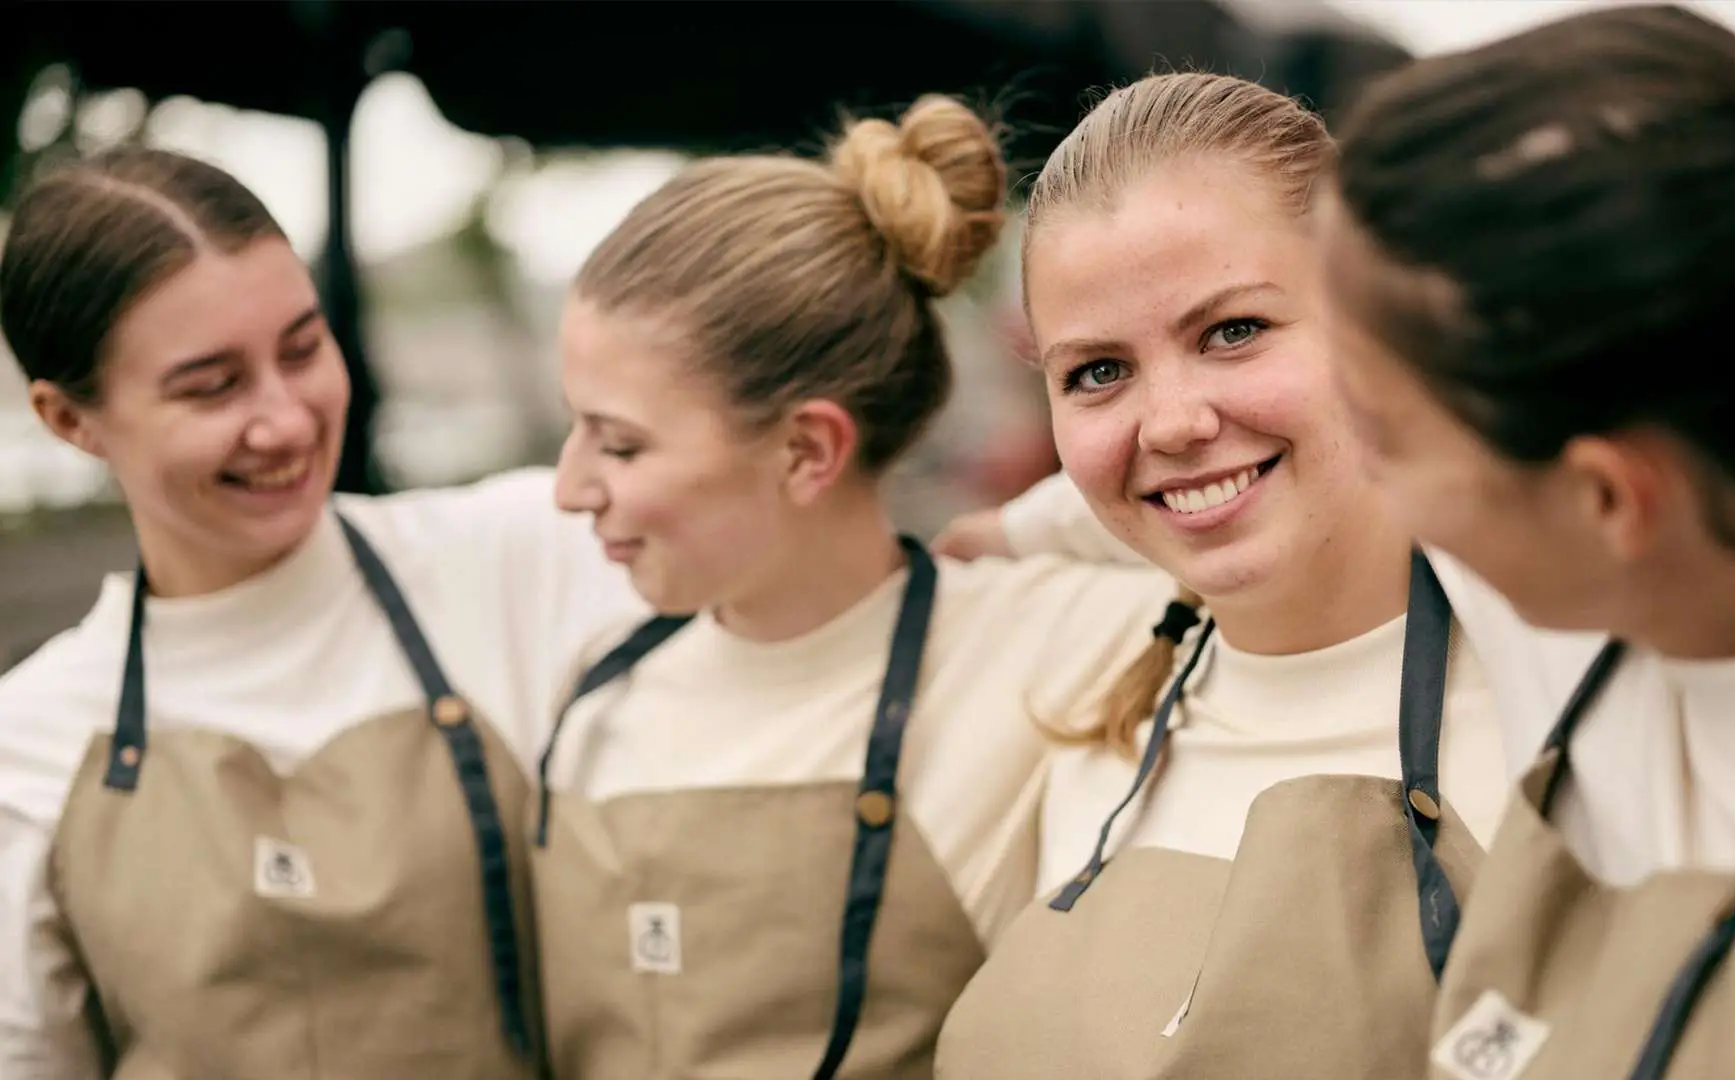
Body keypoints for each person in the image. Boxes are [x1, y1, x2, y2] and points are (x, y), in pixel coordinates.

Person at [967, 8, 1735, 1077]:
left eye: (1388, 431)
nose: (1375, 487)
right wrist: (1006, 528)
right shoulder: (1651, 556)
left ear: (1607, 500)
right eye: (1094, 371)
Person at [523, 94, 1175, 1080]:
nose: (570, 488)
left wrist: (1020, 524)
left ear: (807, 449)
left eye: (619, 443)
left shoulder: (1046, 646)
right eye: (575, 430)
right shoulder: (595, 685)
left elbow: (1330, 503)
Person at [0, 149, 635, 1077]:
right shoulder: (32, 741)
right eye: (212, 385)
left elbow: (785, 558)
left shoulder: (524, 553)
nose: (288, 420)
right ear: (68, 420)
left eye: (303, 349)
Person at [928, 72, 1510, 1079]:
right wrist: (1012, 533)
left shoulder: (1559, 707)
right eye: (1097, 372)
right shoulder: (1073, 701)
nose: (1173, 422)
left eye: (1232, 331)